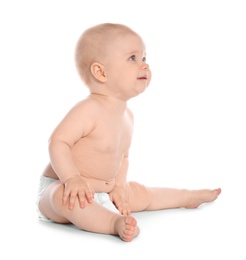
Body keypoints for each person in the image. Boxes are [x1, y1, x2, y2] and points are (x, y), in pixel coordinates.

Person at [37, 23, 221, 242]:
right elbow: (58, 142)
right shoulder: (88, 109)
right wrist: (72, 179)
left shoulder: (127, 116)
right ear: (101, 72)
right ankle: (112, 223)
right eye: (133, 58)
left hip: (104, 191)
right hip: (65, 187)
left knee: (139, 193)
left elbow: (122, 157)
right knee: (64, 199)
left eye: (144, 58)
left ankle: (186, 196)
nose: (145, 65)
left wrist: (119, 187)